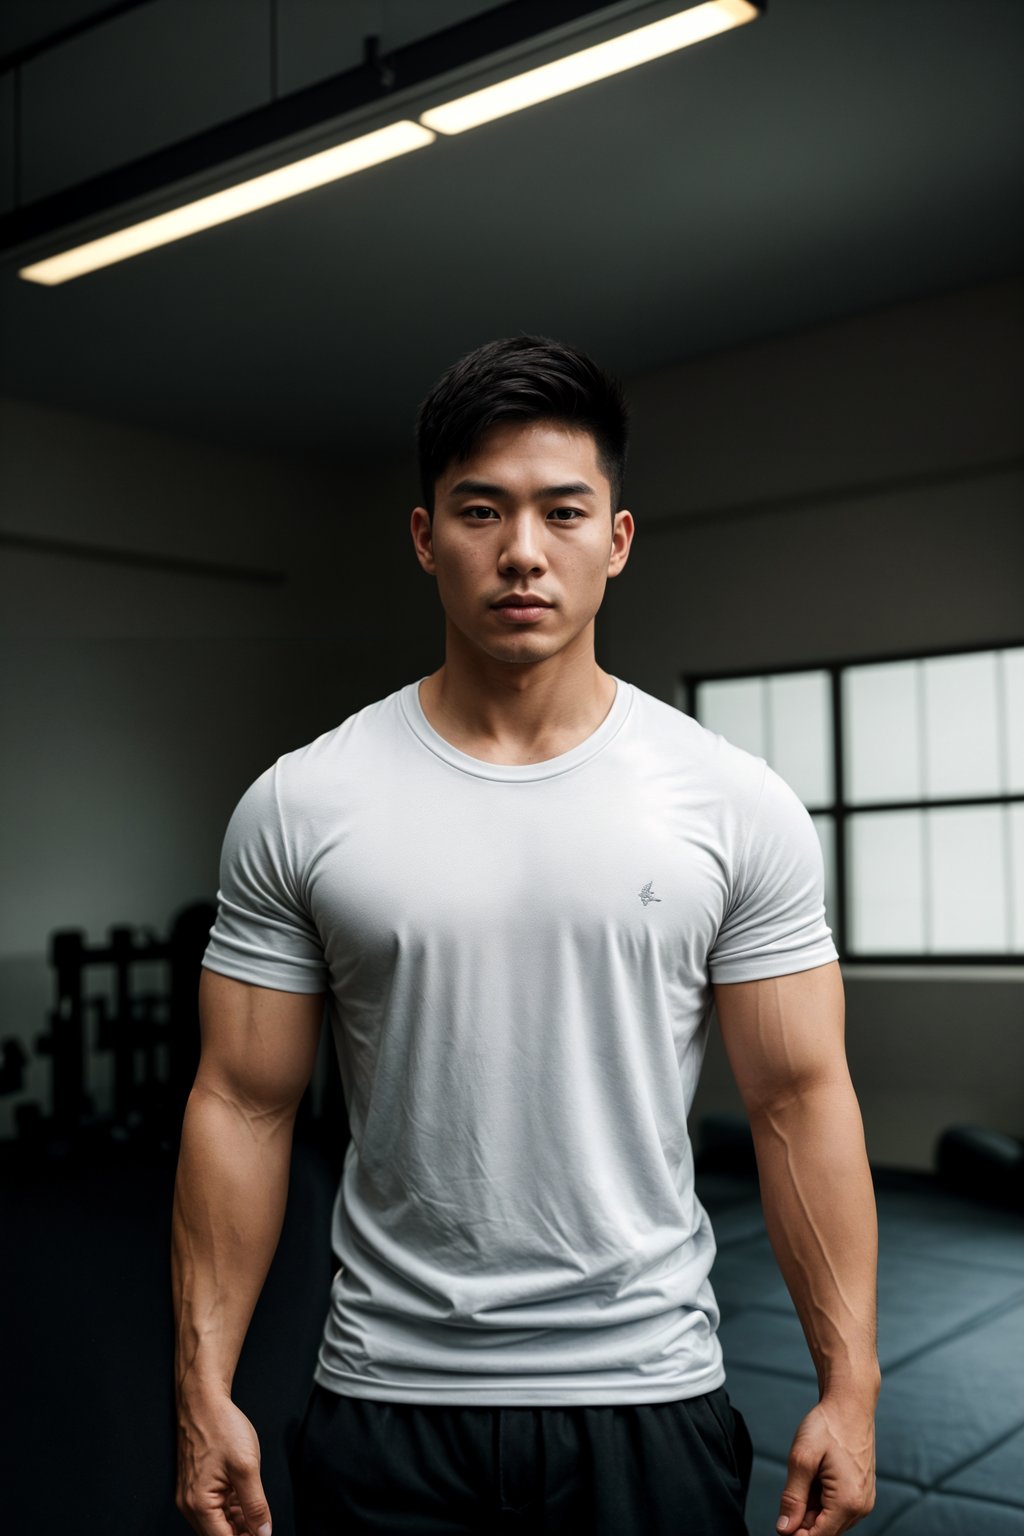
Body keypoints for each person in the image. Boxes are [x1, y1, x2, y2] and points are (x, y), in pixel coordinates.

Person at [172, 334, 880, 1536]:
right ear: (422, 538)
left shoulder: (729, 801)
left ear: (615, 540)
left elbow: (798, 1100)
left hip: (646, 1397)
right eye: (479, 511)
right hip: (384, 1396)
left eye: (562, 512)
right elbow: (242, 1104)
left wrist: (848, 1385)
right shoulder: (302, 802)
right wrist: (201, 1390)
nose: (520, 552)